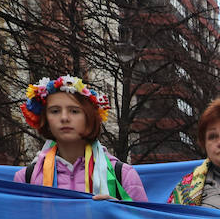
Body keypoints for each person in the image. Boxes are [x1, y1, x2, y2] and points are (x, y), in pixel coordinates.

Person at [14, 75, 146, 201]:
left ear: (89, 119)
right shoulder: (26, 178)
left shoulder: (123, 175)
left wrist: (117, 214)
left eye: (74, 111)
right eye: (55, 111)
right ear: (46, 120)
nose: (64, 117)